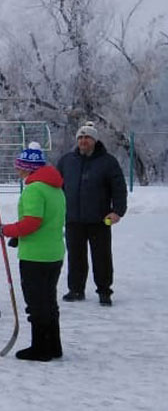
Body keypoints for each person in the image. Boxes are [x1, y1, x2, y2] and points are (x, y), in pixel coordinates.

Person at [0, 143, 66, 361]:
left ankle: (41, 348)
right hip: (53, 252)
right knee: (48, 301)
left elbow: (33, 222)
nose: (17, 171)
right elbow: (45, 221)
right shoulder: (55, 188)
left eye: (20, 167)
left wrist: (7, 230)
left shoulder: (35, 189)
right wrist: (18, 236)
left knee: (37, 303)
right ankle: (53, 345)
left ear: (29, 168)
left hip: (36, 256)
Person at [56, 122, 128, 306]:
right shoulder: (67, 161)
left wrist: (117, 211)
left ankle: (104, 291)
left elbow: (118, 188)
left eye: (87, 137)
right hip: (73, 219)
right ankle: (76, 289)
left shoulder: (107, 162)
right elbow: (57, 187)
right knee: (75, 256)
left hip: (100, 219)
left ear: (95, 140)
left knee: (102, 257)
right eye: (80, 137)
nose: (83, 141)